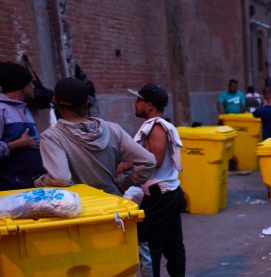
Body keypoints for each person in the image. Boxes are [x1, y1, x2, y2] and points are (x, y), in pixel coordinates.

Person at [34, 77, 155, 196]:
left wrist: (39, 182)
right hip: (114, 204)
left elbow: (60, 178)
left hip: (83, 211)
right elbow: (149, 161)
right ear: (87, 102)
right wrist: (125, 184)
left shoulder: (52, 137)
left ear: (54, 100)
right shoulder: (113, 129)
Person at [127, 83, 187, 277]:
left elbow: (154, 160)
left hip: (159, 195)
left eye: (138, 100)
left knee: (147, 244)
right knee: (173, 244)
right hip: (170, 192)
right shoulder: (164, 126)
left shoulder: (156, 128)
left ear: (149, 105)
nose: (136, 104)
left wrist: (127, 168)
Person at [0, 62, 45, 190]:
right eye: (30, 83)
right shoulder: (1, 110)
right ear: (21, 85)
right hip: (10, 192)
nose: (33, 87)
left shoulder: (24, 108)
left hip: (30, 188)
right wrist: (17, 144)